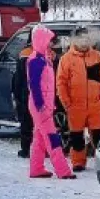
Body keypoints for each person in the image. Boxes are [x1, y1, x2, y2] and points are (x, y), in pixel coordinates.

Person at [56, 26, 100, 171]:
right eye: (81, 39)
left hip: (96, 105)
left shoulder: (97, 56)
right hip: (75, 106)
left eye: (87, 39)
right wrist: (67, 103)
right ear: (75, 40)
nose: (84, 42)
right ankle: (78, 162)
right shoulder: (66, 59)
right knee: (76, 137)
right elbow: (61, 83)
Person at [27, 26, 74, 180]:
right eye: (48, 41)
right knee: (52, 138)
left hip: (43, 105)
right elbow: (34, 85)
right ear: (41, 41)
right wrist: (41, 104)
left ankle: (36, 168)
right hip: (40, 106)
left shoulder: (42, 59)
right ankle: (63, 171)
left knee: (40, 138)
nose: (50, 44)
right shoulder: (36, 60)